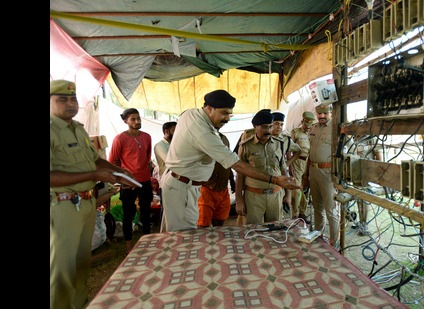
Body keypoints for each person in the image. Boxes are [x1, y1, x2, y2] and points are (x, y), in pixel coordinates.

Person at [50, 80, 139, 309]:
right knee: (63, 269)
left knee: (81, 264)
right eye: (62, 99)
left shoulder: (78, 129)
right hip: (62, 207)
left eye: (73, 99)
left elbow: (95, 159)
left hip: (86, 204)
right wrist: (94, 173)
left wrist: (117, 171)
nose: (70, 104)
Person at [161, 90, 300, 232]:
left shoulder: (191, 113)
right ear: (209, 108)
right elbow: (237, 165)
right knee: (183, 235)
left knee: (173, 233)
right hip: (182, 186)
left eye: (230, 114)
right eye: (224, 113)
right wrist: (275, 180)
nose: (227, 119)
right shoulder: (204, 133)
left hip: (183, 183)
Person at [235, 109, 299, 224]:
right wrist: (239, 200)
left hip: (276, 195)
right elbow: (240, 174)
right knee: (254, 231)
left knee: (275, 229)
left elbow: (283, 170)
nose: (268, 131)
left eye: (270, 126)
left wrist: (288, 195)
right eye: (264, 127)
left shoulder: (279, 144)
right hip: (254, 196)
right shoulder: (246, 146)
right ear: (255, 126)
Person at [108, 108, 154, 254]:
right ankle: (129, 244)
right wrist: (123, 179)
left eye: (138, 118)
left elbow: (147, 158)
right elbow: (112, 161)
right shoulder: (120, 139)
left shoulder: (147, 137)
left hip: (145, 180)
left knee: (146, 211)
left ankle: (147, 240)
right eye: (133, 119)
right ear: (125, 121)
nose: (137, 121)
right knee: (129, 213)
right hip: (128, 183)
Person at [303, 104, 340, 246]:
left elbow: (342, 154)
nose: (322, 116)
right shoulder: (314, 128)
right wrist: (306, 175)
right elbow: (309, 154)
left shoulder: (336, 128)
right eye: (319, 113)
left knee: (331, 210)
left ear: (331, 112)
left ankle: (334, 244)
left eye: (325, 113)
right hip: (313, 171)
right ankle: (319, 237)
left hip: (328, 173)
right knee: (317, 208)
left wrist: (337, 178)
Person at [197, 131, 236, 227]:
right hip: (206, 190)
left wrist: (232, 180)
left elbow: (228, 161)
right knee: (203, 224)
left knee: (220, 221)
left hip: (223, 188)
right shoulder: (201, 137)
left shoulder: (224, 138)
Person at [271, 111, 302, 214]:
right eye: (276, 123)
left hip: (278, 180)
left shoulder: (285, 140)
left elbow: (298, 151)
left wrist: (287, 163)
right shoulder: (262, 137)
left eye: (281, 124)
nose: (279, 127)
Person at [289, 111, 316, 223]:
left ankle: (302, 213)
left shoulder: (313, 134)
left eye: (310, 126)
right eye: (306, 125)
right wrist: (290, 165)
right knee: (297, 189)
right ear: (302, 122)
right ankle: (295, 214)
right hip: (297, 162)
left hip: (309, 164)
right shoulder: (295, 133)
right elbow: (288, 149)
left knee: (306, 189)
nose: (307, 128)